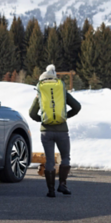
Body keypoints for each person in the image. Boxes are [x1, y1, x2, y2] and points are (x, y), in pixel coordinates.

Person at [28, 64, 82, 197]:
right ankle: (62, 185)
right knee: (65, 158)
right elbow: (77, 106)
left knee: (50, 161)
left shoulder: (41, 92)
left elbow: (31, 113)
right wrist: (65, 117)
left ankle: (51, 190)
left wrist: (42, 120)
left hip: (46, 131)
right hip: (62, 130)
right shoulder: (61, 90)